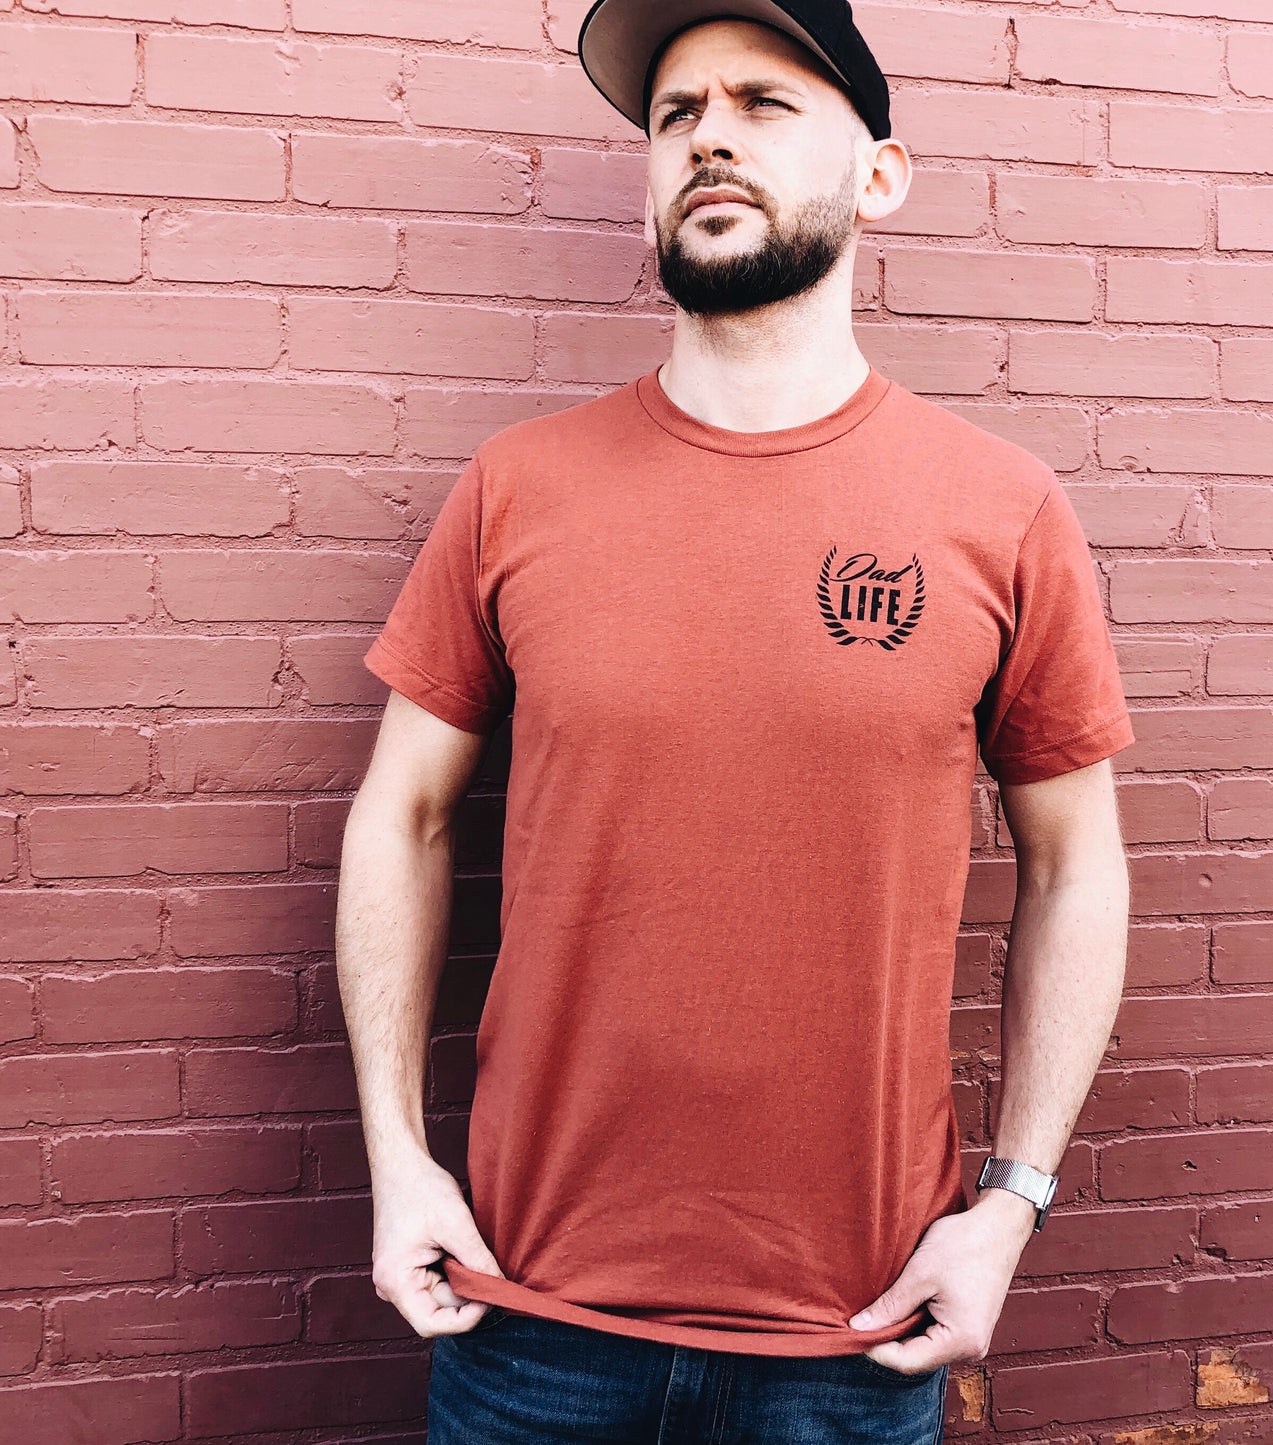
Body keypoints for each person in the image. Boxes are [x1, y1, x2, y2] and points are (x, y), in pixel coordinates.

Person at [335, 1, 1135, 1440]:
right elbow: (400, 812)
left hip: (854, 1335)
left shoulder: (998, 510)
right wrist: (397, 1154)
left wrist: (1010, 1203)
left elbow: (1077, 866)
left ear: (877, 175)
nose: (708, 131)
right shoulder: (518, 487)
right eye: (674, 112)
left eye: (765, 103)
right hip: (527, 1323)